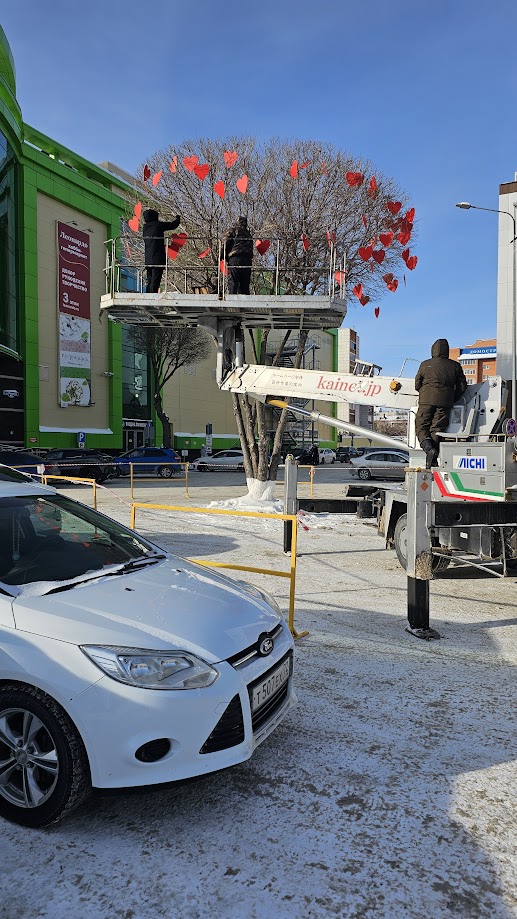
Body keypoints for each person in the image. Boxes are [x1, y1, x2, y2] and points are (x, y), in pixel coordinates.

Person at [415, 338, 467, 468]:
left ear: (433, 350)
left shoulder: (425, 364)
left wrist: (423, 392)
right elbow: (462, 386)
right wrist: (452, 398)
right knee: (437, 428)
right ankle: (432, 459)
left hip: (426, 400)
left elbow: (417, 384)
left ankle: (429, 450)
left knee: (421, 426)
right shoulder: (455, 366)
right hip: (445, 402)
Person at [142, 209, 181, 293]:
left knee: (150, 280)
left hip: (148, 259)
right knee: (156, 280)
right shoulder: (158, 225)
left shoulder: (145, 228)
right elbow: (173, 225)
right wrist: (178, 218)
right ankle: (153, 295)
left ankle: (148, 294)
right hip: (157, 258)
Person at [224, 216, 253, 294]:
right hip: (247, 260)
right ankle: (243, 305)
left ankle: (231, 303)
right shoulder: (248, 234)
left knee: (233, 281)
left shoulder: (233, 230)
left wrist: (222, 257)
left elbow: (226, 243)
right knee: (245, 285)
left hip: (235, 258)